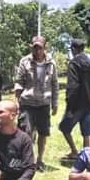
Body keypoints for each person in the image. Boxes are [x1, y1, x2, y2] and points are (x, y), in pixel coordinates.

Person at [14, 36, 59, 171]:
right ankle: (27, 160)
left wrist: (55, 103)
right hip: (27, 103)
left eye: (40, 47)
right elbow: (18, 81)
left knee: (43, 133)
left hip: (44, 103)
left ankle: (39, 160)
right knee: (26, 132)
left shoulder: (51, 63)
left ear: (45, 47)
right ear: (31, 47)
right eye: (35, 47)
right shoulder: (25, 61)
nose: (37, 50)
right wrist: (16, 101)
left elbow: (55, 83)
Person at [60, 38, 90, 160]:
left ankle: (74, 151)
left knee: (64, 127)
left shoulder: (74, 63)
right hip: (89, 102)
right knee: (86, 132)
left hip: (76, 104)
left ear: (73, 49)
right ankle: (86, 155)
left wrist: (69, 103)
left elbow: (73, 85)